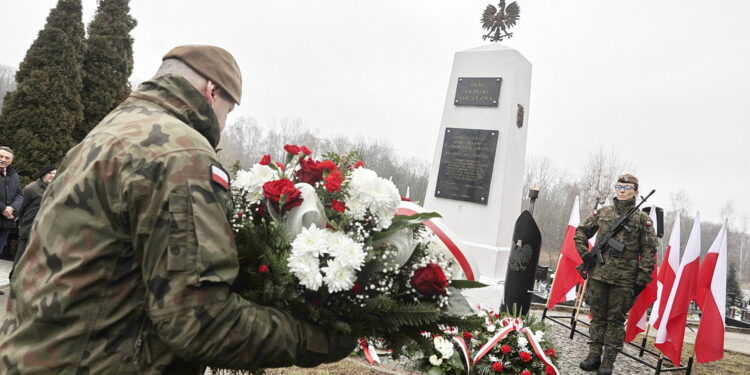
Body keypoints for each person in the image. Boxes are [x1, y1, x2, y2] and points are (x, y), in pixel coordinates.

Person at [0, 45, 354, 374]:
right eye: (228, 111)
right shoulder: (181, 153)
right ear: (211, 91)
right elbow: (199, 321)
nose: (224, 123)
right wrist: (321, 338)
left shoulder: (104, 135)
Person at [574, 174, 658, 375]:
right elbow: (581, 231)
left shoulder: (642, 220)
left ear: (636, 192)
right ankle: (593, 356)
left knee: (616, 320)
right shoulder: (604, 212)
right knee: (597, 317)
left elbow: (649, 251)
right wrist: (585, 254)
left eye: (627, 187)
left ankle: (608, 362)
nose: (622, 190)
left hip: (624, 280)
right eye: (619, 186)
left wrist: (641, 280)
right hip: (598, 275)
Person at [9, 165, 56, 280]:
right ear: (43, 174)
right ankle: (13, 280)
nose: (52, 176)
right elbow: (21, 208)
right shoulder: (31, 188)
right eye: (50, 173)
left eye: (55, 174)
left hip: (46, 230)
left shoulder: (56, 188)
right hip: (29, 228)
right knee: (21, 256)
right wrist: (22, 222)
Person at [0, 146, 23, 261]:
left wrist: (12, 208)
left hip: (5, 222)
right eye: (1, 156)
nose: (3, 159)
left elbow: (20, 195)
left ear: (11, 161)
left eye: (7, 158)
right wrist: (3, 208)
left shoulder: (14, 175)